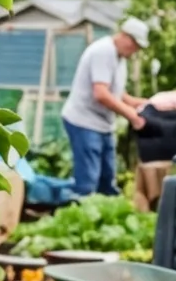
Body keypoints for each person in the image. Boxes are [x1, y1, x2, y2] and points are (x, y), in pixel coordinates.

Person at [60, 18, 146, 197]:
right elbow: (101, 93)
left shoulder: (120, 57)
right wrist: (131, 115)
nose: (135, 50)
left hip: (103, 125)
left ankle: (104, 219)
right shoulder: (103, 51)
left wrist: (138, 103)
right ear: (124, 36)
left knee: (107, 180)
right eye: (134, 45)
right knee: (88, 181)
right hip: (84, 121)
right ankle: (79, 216)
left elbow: (116, 92)